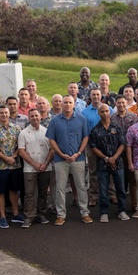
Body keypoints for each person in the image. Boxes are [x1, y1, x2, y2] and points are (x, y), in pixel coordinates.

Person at [46, 95, 91, 226]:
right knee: (60, 187)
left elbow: (85, 138)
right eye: (64, 102)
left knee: (81, 186)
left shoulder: (81, 119)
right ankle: (61, 215)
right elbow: (51, 140)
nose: (67, 105)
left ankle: (85, 213)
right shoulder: (55, 121)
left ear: (74, 104)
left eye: (69, 102)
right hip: (60, 159)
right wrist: (60, 153)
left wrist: (78, 153)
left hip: (78, 159)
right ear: (61, 104)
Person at [90, 103, 129, 222]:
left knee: (121, 188)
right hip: (103, 163)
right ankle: (104, 212)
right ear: (98, 113)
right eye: (102, 112)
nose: (105, 113)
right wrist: (107, 158)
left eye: (107, 111)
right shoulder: (95, 129)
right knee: (103, 188)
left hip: (118, 163)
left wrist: (114, 157)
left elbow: (123, 143)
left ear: (110, 112)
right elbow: (93, 146)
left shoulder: (116, 127)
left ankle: (122, 210)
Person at [0, 104, 23, 229]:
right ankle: (2, 216)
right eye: (1, 113)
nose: (4, 115)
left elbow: (21, 144)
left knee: (14, 190)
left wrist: (14, 156)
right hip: (0, 166)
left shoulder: (16, 128)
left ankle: (16, 213)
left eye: (6, 113)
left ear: (9, 114)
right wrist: (6, 158)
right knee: (0, 191)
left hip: (14, 164)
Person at [17, 107, 53, 228]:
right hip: (30, 169)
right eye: (32, 116)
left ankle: (41, 214)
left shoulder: (46, 131)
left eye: (36, 115)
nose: (34, 118)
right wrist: (34, 164)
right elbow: (21, 151)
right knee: (29, 193)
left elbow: (52, 149)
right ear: (28, 117)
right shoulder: (23, 133)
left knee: (43, 192)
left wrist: (45, 163)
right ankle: (28, 216)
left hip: (45, 167)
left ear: (40, 117)